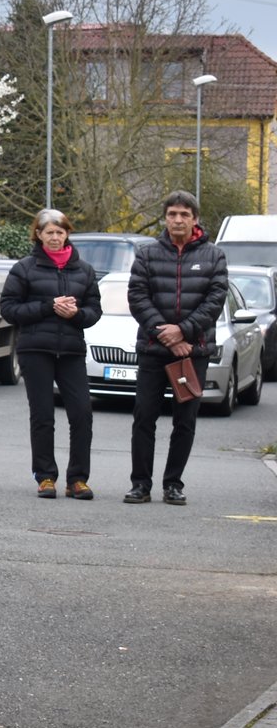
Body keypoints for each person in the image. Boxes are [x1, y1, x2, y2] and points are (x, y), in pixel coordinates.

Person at [126, 191, 229, 506]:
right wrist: (165, 334)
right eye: (172, 214)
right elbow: (138, 297)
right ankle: (141, 484)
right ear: (165, 217)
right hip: (153, 350)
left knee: (185, 420)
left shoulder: (214, 256)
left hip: (193, 352)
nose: (178, 220)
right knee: (144, 417)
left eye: (185, 214)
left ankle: (173, 484)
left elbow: (215, 300)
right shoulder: (146, 254)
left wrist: (184, 333)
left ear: (195, 218)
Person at [0, 208, 103, 500]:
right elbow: (9, 310)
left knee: (82, 414)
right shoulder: (25, 268)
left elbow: (94, 312)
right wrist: (48, 306)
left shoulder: (84, 270)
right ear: (39, 235)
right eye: (49, 233)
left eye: (60, 232)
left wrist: (75, 314)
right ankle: (46, 477)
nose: (55, 238)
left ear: (67, 233)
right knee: (43, 416)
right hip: (36, 350)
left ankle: (78, 479)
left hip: (71, 350)